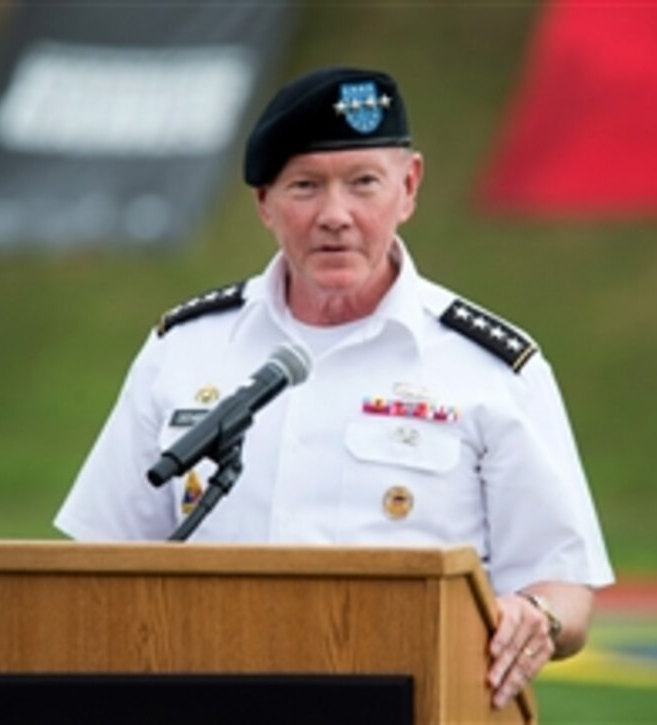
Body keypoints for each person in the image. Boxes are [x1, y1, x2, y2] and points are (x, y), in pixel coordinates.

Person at [55, 66, 613, 709]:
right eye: (305, 187)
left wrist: (535, 616)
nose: (335, 216)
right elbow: (99, 555)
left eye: (363, 184)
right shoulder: (184, 349)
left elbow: (565, 587)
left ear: (408, 188)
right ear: (264, 202)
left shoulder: (490, 369)